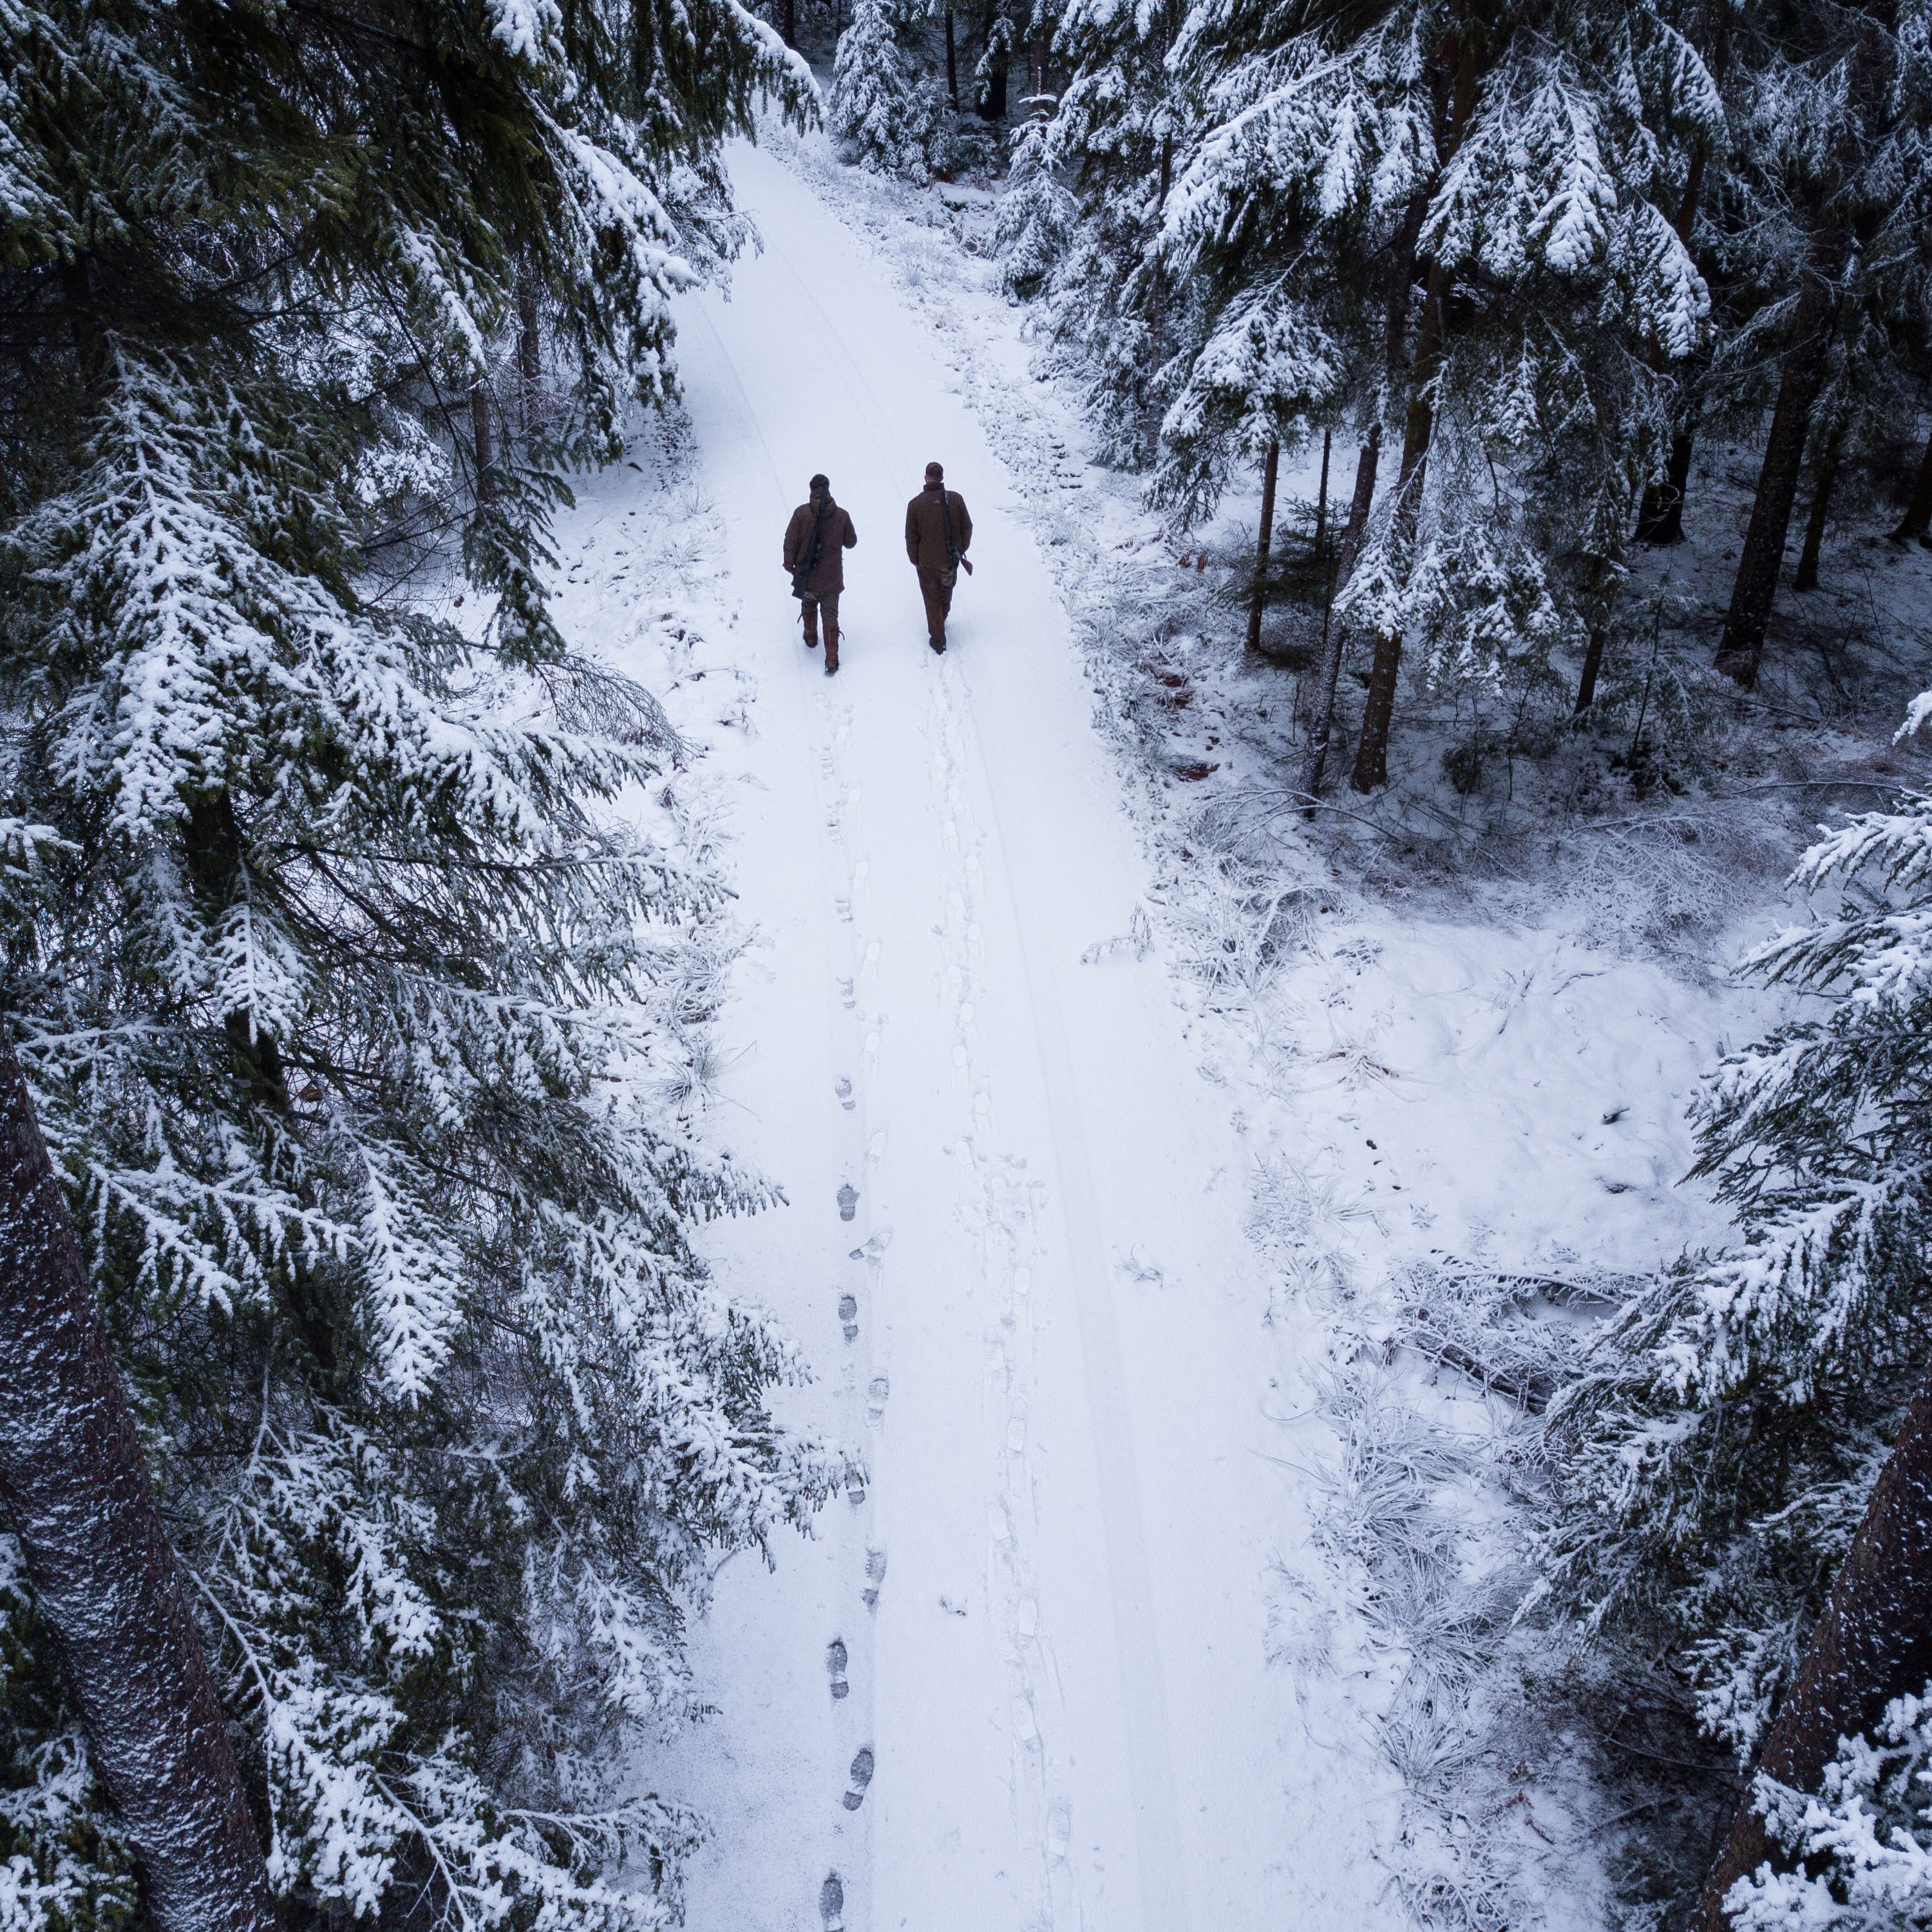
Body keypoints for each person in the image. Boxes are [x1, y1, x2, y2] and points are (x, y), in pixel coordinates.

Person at [784, 473, 858, 675]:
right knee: (830, 616)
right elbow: (851, 542)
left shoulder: (801, 513)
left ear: (811, 491)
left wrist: (789, 564)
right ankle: (832, 660)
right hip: (832, 581)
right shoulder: (842, 515)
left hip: (806, 578)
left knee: (808, 604)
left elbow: (790, 540)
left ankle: (810, 637)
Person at [904, 460, 972, 654]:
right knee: (946, 591)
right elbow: (968, 527)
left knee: (931, 599)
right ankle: (942, 618)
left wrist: (915, 558)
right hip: (950, 559)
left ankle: (938, 640)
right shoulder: (956, 500)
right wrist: (959, 549)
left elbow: (911, 535)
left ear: (926, 478)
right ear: (942, 478)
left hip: (926, 562)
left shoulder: (915, 504)